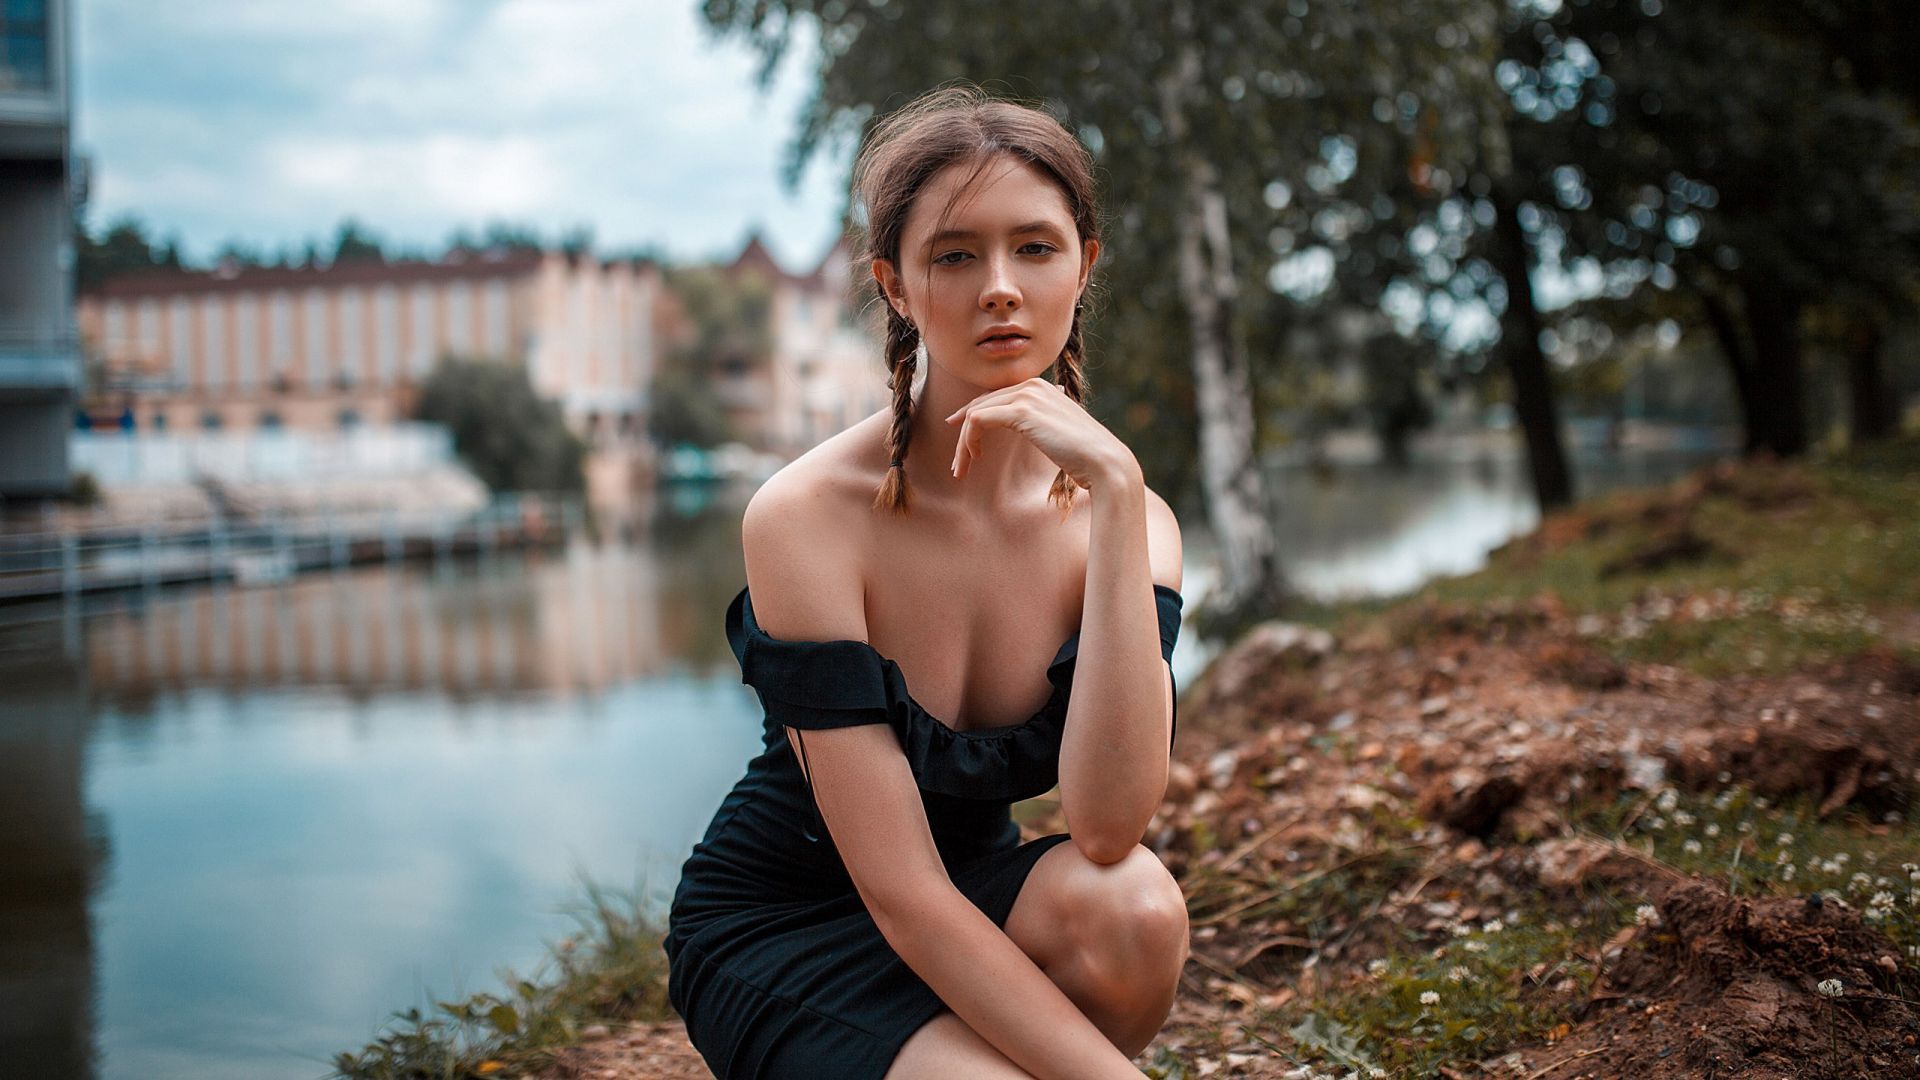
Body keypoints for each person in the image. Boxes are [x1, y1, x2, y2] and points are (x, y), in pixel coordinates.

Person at [664, 84, 1190, 1080]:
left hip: (982, 892)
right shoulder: (807, 515)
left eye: (1036, 247)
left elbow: (1110, 825)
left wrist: (1117, 495)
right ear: (896, 285)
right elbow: (903, 893)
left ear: (1086, 264)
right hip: (792, 923)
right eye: (955, 254)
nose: (1001, 286)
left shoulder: (1137, 523)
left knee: (1135, 909)